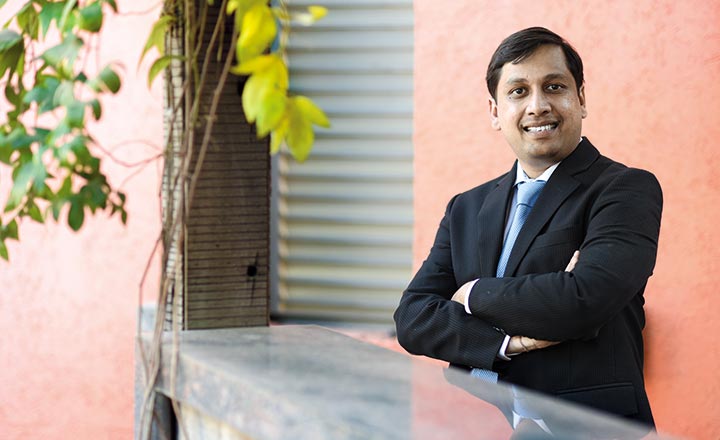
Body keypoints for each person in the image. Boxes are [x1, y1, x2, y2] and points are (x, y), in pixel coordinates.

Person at [393, 27, 662, 429]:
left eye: (554, 87)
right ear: (494, 111)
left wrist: (472, 295)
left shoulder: (625, 189)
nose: (538, 106)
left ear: (581, 99)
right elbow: (413, 318)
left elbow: (583, 300)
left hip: (586, 427)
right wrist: (506, 343)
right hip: (480, 420)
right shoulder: (466, 207)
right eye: (518, 91)